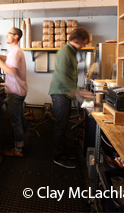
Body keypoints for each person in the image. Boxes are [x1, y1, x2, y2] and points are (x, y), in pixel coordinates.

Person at [48, 28, 93, 169]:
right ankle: (58, 156)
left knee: (64, 124)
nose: (84, 46)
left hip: (64, 93)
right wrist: (80, 91)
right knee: (61, 125)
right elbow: (62, 78)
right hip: (60, 93)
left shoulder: (71, 52)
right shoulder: (65, 52)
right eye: (83, 44)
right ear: (76, 40)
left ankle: (62, 152)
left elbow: (68, 74)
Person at [0, 27, 28, 157]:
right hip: (19, 90)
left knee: (15, 121)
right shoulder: (14, 51)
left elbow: (11, 70)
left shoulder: (16, 51)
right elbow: (9, 59)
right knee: (19, 119)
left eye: (9, 33)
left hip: (15, 92)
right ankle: (22, 142)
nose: (6, 35)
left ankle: (18, 150)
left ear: (16, 36)